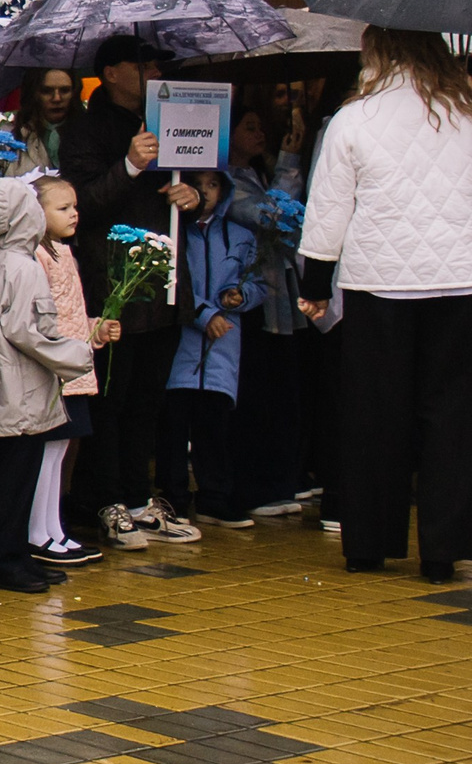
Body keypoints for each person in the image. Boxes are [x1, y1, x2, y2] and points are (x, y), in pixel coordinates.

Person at [298, 29, 472, 577]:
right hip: (460, 280)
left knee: (374, 414)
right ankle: (443, 551)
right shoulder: (466, 111)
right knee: (452, 418)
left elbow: (328, 207)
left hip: (379, 281)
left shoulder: (357, 117)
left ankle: (368, 544)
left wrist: (315, 284)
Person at [59, 36, 202, 551]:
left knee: (148, 399)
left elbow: (189, 188)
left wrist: (195, 196)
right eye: (142, 64)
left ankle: (142, 500)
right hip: (112, 283)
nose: (152, 72)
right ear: (112, 72)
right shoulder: (84, 129)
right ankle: (106, 500)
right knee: (111, 400)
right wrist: (131, 166)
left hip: (161, 284)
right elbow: (81, 207)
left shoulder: (165, 121)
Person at [0, 178, 95, 594]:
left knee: (6, 478)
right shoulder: (23, 267)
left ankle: (13, 555)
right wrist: (76, 355)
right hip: (20, 390)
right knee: (17, 480)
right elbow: (28, 331)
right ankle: (6, 561)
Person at [225, 105, 311, 517]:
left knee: (281, 393)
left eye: (261, 126)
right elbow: (273, 217)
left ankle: (281, 483)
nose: (259, 134)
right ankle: (255, 487)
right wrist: (291, 163)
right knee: (257, 395)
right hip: (249, 297)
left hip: (278, 295)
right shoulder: (227, 180)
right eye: (249, 125)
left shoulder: (258, 172)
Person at [162, 169, 259, 530]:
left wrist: (241, 296)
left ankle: (214, 498)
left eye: (213, 184)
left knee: (213, 426)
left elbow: (258, 281)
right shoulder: (175, 233)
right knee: (174, 426)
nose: (205, 192)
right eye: (197, 184)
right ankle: (172, 497)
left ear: (226, 190)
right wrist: (205, 315)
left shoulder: (241, 236)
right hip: (183, 346)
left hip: (223, 346)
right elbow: (173, 280)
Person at [28, 174, 112, 565]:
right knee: (47, 449)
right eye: (62, 208)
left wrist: (96, 329)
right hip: (55, 370)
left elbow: (72, 313)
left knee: (60, 449)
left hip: (73, 366)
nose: (74, 214)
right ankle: (37, 531)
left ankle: (53, 527)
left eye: (74, 206)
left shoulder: (63, 252)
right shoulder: (38, 256)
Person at [10, 69, 79, 173]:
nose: (57, 98)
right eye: (47, 91)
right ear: (34, 94)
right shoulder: (13, 137)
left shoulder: (91, 134)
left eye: (64, 90)